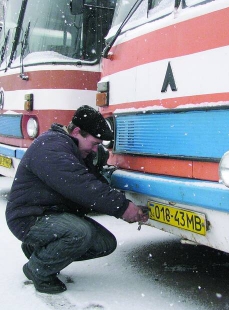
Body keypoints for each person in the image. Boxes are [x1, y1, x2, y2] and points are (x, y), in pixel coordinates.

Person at [5, 105, 148, 294]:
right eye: (94, 143)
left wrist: (126, 204)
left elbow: (94, 185)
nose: (96, 149)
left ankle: (38, 251)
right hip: (29, 217)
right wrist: (123, 208)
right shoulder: (51, 146)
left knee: (105, 244)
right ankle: (38, 269)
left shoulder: (75, 150)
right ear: (77, 131)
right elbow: (82, 186)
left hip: (54, 214)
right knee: (80, 234)